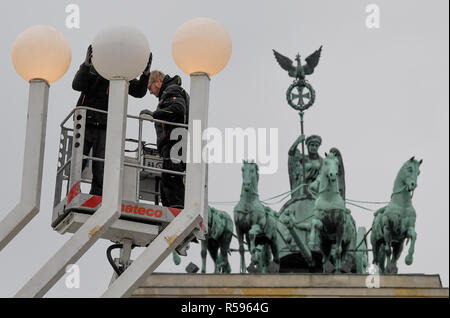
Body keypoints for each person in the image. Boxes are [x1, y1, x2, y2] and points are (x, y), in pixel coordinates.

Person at [72, 45, 152, 195]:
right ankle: (72, 193)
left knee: (101, 166)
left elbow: (139, 92)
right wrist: (86, 64)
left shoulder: (122, 73)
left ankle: (97, 197)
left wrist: (145, 73)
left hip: (105, 125)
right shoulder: (94, 68)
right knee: (77, 162)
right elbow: (77, 85)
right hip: (85, 123)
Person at [140, 70, 189, 208]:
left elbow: (178, 109)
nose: (150, 92)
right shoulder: (170, 92)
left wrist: (154, 114)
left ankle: (177, 212)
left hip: (175, 141)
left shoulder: (172, 90)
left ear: (158, 82)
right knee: (167, 182)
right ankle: (173, 210)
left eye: (150, 87)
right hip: (175, 142)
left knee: (171, 179)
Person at [288, 134, 323, 199]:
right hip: (303, 188)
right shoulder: (303, 158)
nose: (314, 147)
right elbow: (291, 153)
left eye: (316, 145)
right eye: (312, 145)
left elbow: (322, 174)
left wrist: (316, 182)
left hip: (316, 189)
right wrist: (298, 141)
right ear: (308, 146)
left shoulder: (321, 161)